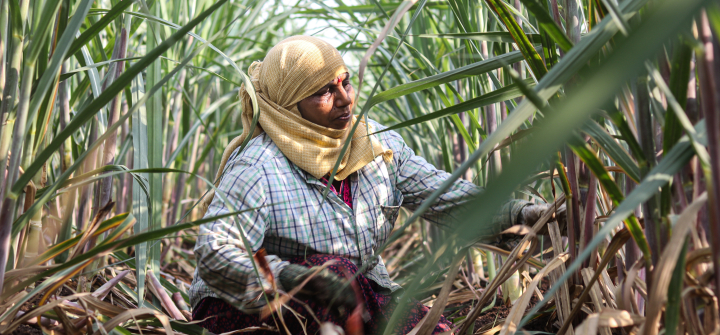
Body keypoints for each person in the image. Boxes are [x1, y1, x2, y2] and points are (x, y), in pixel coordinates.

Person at [189, 36, 561, 335]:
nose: (345, 99)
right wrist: (285, 276)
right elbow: (216, 250)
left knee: (431, 328)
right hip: (244, 305)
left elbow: (442, 194)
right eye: (323, 92)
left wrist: (519, 214)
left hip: (351, 292)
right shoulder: (259, 166)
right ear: (288, 105)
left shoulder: (376, 147)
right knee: (330, 272)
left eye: (345, 82)